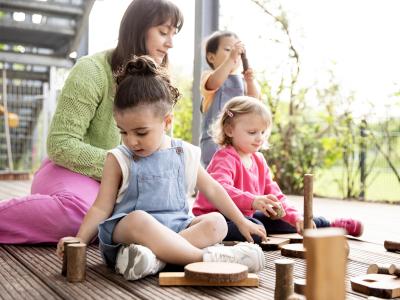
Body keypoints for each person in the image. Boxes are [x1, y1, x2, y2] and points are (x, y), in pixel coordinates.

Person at [56, 56, 267, 281]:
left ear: (166, 122)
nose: (131, 141)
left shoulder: (184, 153)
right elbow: (101, 207)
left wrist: (242, 221)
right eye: (123, 132)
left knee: (216, 222)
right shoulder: (118, 158)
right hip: (130, 235)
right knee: (138, 219)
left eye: (141, 132)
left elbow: (213, 189)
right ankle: (207, 259)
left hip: (176, 230)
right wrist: (79, 240)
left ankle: (155, 260)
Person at [0, 0, 187, 244]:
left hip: (119, 185)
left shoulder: (160, 85)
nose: (170, 43)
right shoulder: (92, 70)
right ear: (138, 28)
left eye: (173, 34)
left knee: (154, 223)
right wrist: (120, 166)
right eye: (163, 32)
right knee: (82, 216)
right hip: (69, 170)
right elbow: (60, 144)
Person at [193, 96, 364, 243]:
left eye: (263, 132)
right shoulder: (225, 157)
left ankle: (329, 225)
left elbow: (276, 195)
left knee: (288, 221)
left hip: (246, 215)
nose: (259, 138)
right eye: (252, 132)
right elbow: (221, 190)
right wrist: (253, 200)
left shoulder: (258, 160)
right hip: (217, 217)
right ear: (230, 130)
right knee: (258, 230)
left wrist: (296, 217)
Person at [199, 30, 261, 167]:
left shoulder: (243, 82)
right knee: (216, 177)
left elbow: (254, 101)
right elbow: (215, 82)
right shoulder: (209, 77)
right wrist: (231, 59)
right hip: (214, 143)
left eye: (238, 52)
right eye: (228, 49)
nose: (235, 54)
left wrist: (250, 81)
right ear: (211, 57)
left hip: (238, 144)